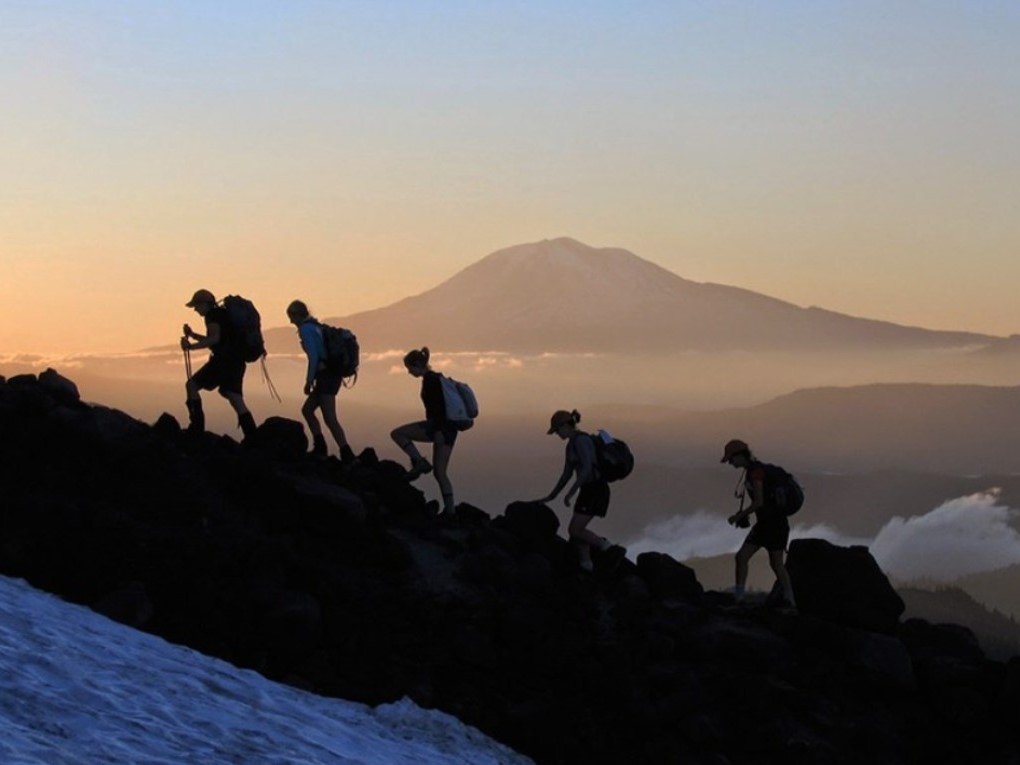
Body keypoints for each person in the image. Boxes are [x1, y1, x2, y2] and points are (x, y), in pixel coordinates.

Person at [537, 409, 626, 572]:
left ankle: (608, 548)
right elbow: (566, 473)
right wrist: (552, 496)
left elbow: (586, 468)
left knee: (575, 529)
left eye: (557, 430)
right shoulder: (571, 445)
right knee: (577, 535)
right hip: (587, 490)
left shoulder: (581, 441)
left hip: (595, 489)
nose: (557, 434)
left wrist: (571, 492)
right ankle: (586, 567)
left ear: (565, 425)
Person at [721, 438, 796, 609]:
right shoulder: (754, 471)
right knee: (767, 563)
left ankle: (788, 600)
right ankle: (789, 600)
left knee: (766, 562)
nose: (730, 463)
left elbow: (759, 502)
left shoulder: (756, 472)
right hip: (771, 524)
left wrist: (739, 515)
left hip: (772, 524)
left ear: (740, 456)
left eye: (731, 459)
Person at [285, 300, 357, 464]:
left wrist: (308, 381)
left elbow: (314, 356)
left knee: (330, 417)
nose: (290, 321)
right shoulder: (316, 326)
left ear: (297, 315)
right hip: (330, 375)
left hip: (326, 376)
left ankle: (346, 454)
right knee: (308, 410)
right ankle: (321, 447)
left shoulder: (305, 329)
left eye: (291, 317)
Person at [181, 289, 257, 441]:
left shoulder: (212, 316)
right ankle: (253, 437)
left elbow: (214, 340)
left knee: (191, 385)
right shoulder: (222, 315)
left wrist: (190, 347)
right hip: (236, 362)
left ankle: (197, 428)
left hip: (223, 362)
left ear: (204, 304)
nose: (195, 309)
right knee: (234, 396)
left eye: (196, 305)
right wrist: (194, 335)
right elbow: (219, 340)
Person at [390, 347, 458, 516]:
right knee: (440, 473)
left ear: (417, 365)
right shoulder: (438, 378)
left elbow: (439, 408)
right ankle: (450, 511)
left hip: (438, 427)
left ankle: (419, 462)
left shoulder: (430, 381)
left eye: (409, 368)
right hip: (450, 429)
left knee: (398, 433)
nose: (409, 372)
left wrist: (438, 432)